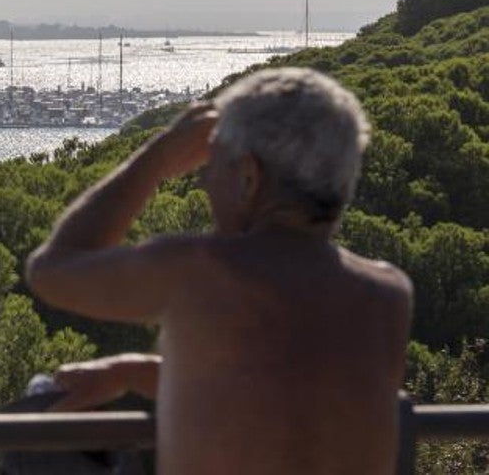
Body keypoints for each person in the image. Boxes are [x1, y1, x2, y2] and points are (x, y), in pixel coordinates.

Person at [25, 67, 413, 474]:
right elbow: (284, 386)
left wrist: (157, 158)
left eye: (211, 165)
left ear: (249, 178)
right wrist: (130, 373)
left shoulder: (197, 270)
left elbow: (51, 270)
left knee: (40, 426)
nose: (204, 181)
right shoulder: (387, 295)